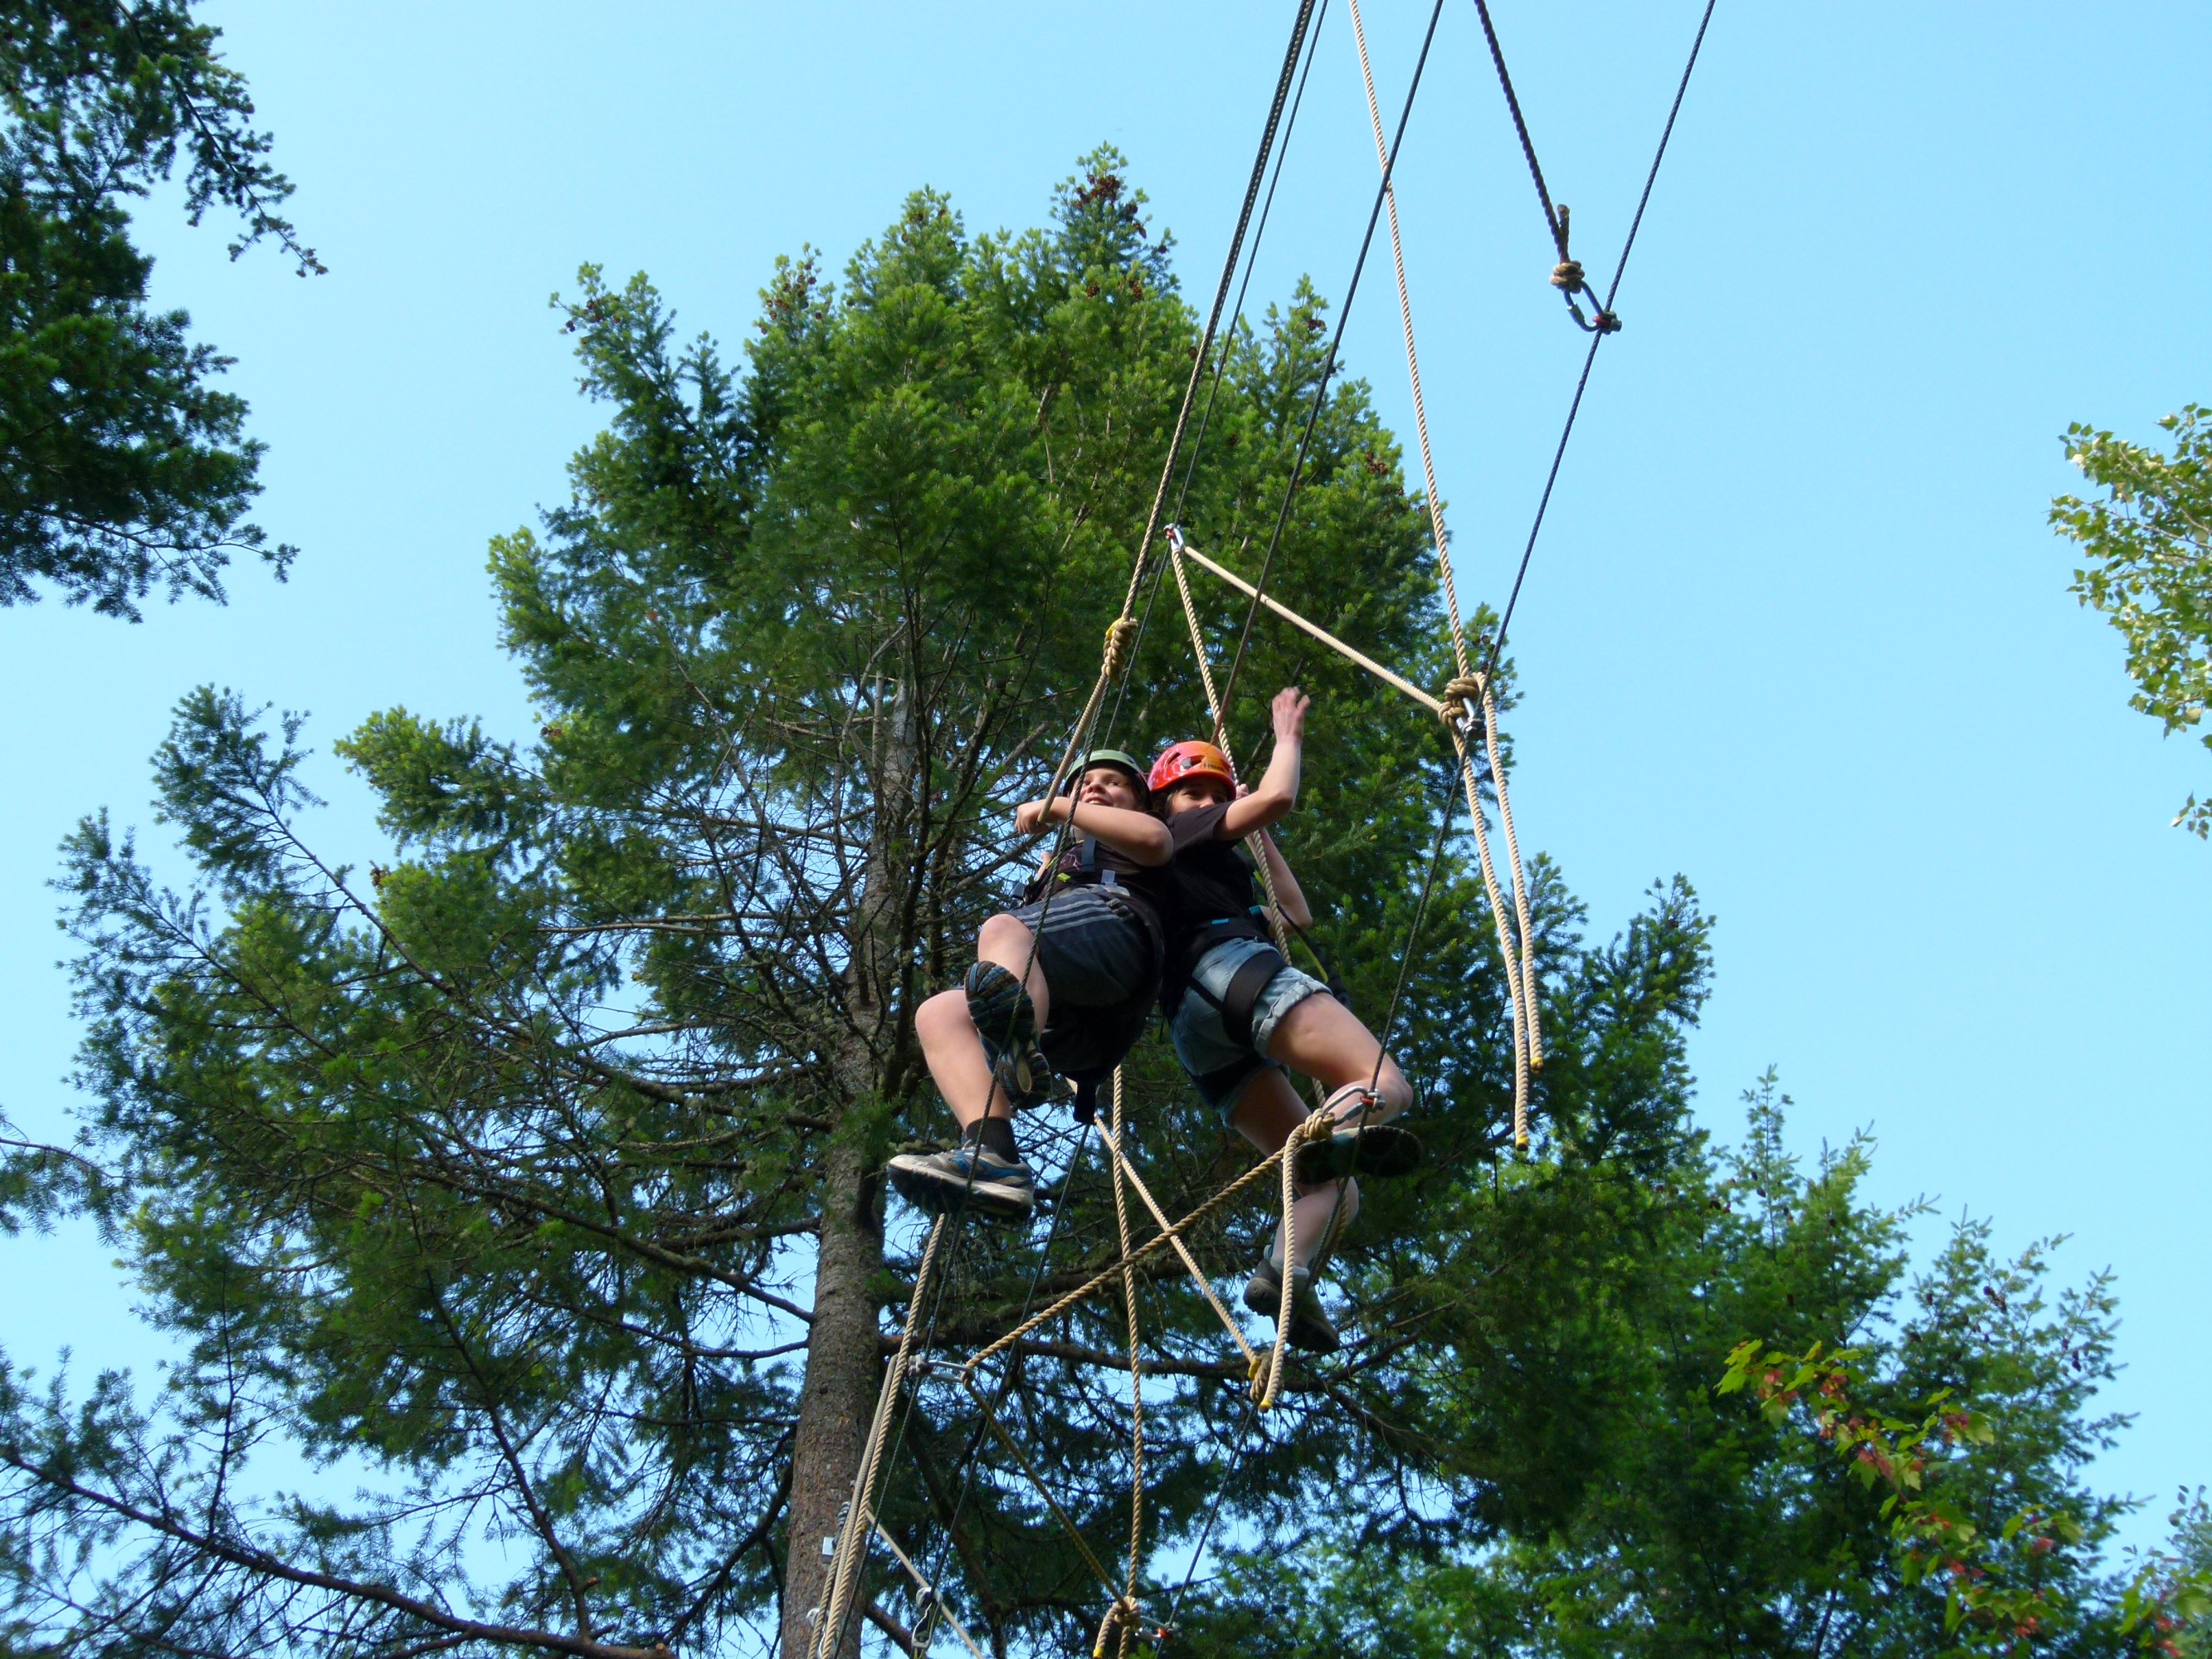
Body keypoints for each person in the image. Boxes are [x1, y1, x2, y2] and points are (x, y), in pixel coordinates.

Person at [1150, 689, 1420, 1353]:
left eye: (1216, 795)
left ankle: (1283, 1271)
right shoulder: (1170, 836)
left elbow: (1293, 911)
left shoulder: (1210, 856)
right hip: (1229, 971)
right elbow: (1277, 797)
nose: (1207, 804)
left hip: (1201, 1028)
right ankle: (1332, 1136)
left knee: (1336, 1189)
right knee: (1385, 1085)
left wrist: (1255, 832)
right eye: (1192, 793)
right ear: (1165, 806)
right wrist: (1287, 737)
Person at [889, 749, 1172, 1221]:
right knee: (937, 1013)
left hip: (1119, 941)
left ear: (1140, 803)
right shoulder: (1056, 863)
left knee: (1002, 930)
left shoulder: (1140, 838)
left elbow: (1156, 841)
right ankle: (994, 1154)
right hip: (1072, 1032)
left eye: (1113, 783)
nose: (1095, 787)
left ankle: (1014, 1040)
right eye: (1084, 783)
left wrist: (1056, 806)